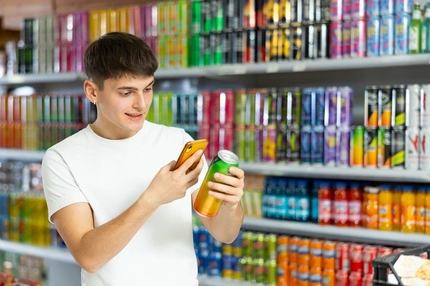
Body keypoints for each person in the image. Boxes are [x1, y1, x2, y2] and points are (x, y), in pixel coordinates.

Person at [42, 32, 245, 286]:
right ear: (92, 91)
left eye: (147, 89)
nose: (141, 104)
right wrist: (152, 198)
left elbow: (224, 233)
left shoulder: (178, 141)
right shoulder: (62, 158)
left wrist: (231, 205)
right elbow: (88, 256)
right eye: (126, 93)